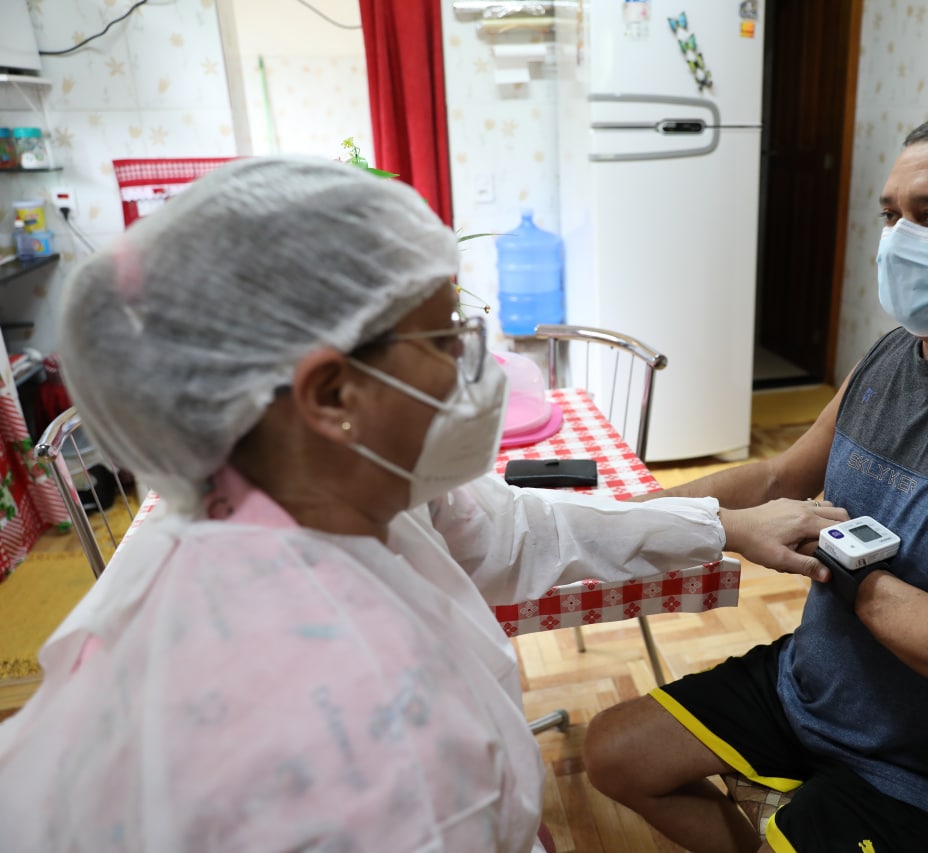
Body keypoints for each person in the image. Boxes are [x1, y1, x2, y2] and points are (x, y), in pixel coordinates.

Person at [0, 157, 848, 852]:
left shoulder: (288, 502)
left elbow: (520, 527)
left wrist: (723, 525)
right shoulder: (379, 745)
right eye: (447, 338)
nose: (478, 366)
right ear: (332, 393)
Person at [584, 111, 928, 853]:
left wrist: (833, 558)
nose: (897, 239)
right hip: (813, 687)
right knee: (615, 751)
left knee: (794, 832)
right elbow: (780, 474)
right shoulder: (899, 351)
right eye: (892, 215)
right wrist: (626, 521)